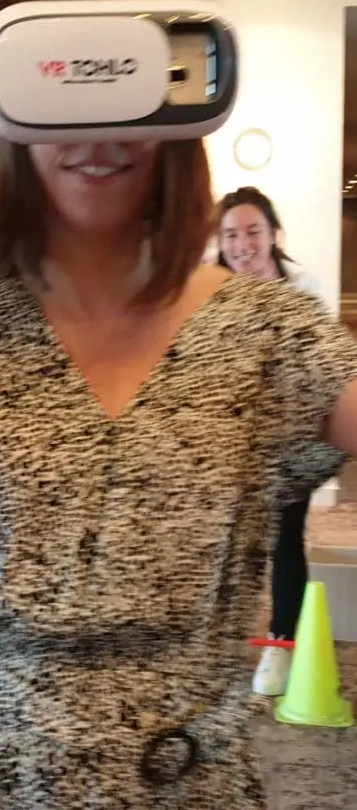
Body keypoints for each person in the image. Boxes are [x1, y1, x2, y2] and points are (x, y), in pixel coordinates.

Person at [0, 0, 356, 810]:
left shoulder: (272, 332)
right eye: (69, 88)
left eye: (133, 89)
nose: (101, 135)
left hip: (188, 781)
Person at [217, 186, 324, 696]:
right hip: (228, 438)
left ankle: (282, 644)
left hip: (291, 436)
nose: (243, 245)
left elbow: (320, 368)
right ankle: (212, 643)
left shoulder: (304, 290)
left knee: (284, 536)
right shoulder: (207, 293)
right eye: (231, 235)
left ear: (274, 234)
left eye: (253, 231)